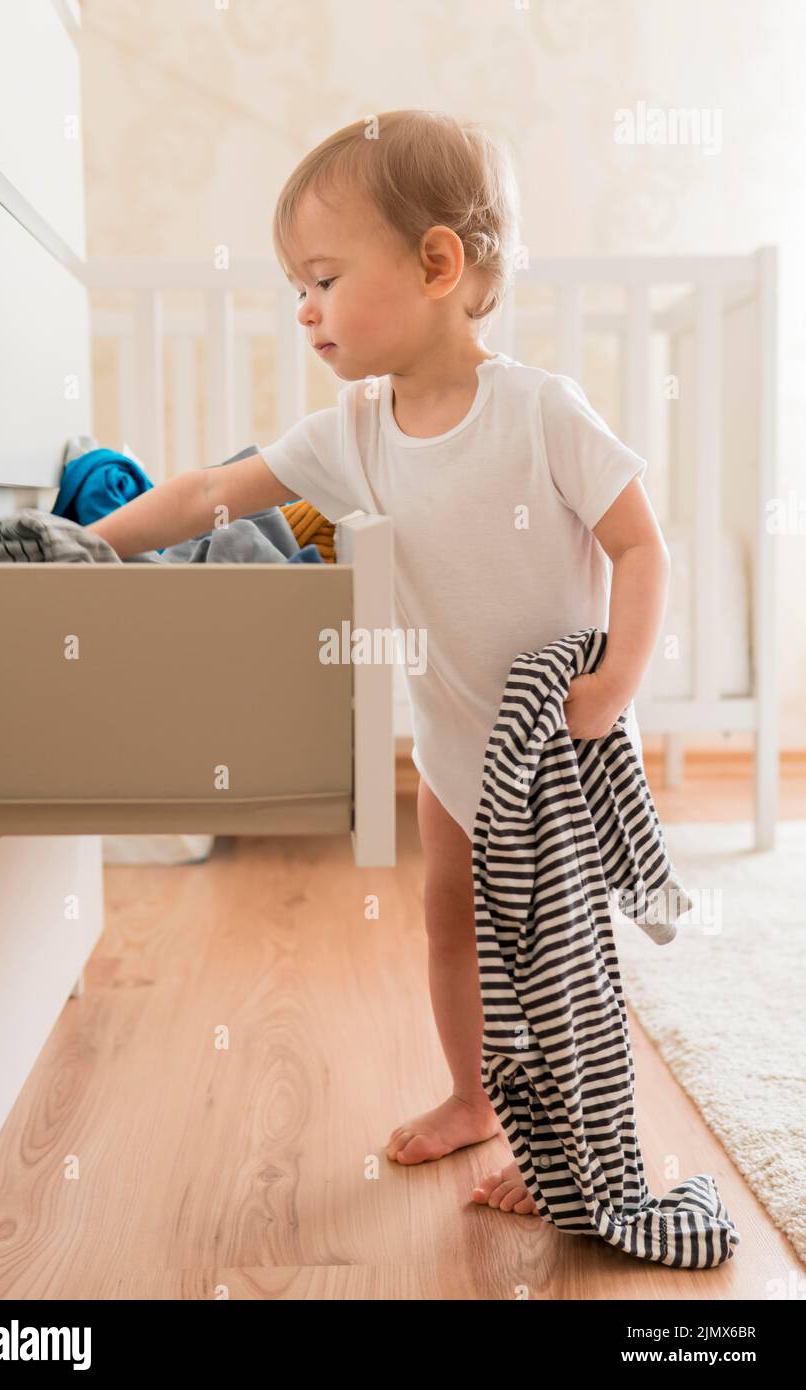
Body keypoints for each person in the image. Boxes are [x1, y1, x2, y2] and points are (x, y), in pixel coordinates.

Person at [87, 109, 670, 1218]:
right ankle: (471, 1096)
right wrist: (87, 545)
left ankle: (575, 1138)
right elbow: (212, 492)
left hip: (559, 746)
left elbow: (639, 545)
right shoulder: (354, 428)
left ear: (435, 262)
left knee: (554, 946)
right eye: (293, 285)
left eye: (319, 278)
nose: (301, 308)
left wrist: (616, 684)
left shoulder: (540, 411)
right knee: (450, 918)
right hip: (456, 745)